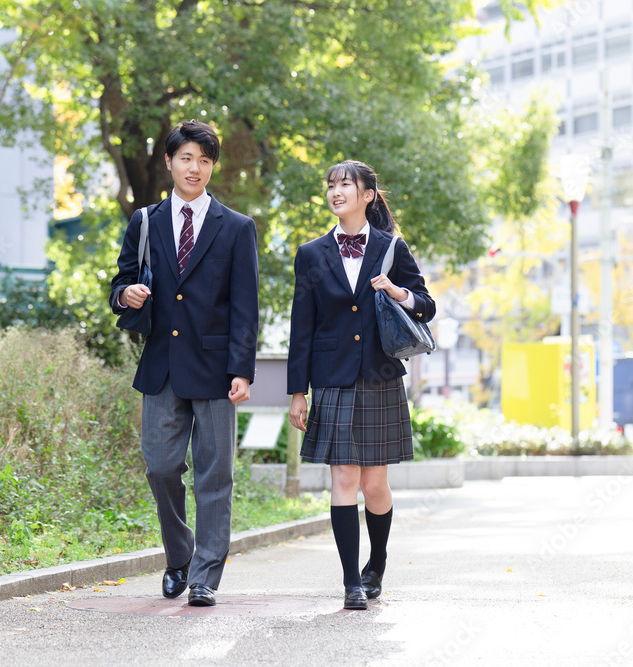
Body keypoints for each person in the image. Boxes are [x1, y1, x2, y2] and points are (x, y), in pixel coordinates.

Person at [110, 120, 260, 607]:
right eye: (186, 158)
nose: (195, 168)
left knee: (215, 474)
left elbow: (245, 306)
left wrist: (242, 369)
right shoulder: (146, 222)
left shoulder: (236, 228)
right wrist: (125, 294)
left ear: (211, 166)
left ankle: (204, 577)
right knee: (161, 466)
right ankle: (179, 557)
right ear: (171, 162)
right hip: (162, 367)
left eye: (204, 160)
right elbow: (121, 283)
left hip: (217, 371)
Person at [286, 160, 435, 610]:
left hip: (379, 376)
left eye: (345, 185)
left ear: (368, 194)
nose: (336, 191)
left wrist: (398, 292)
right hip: (331, 380)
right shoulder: (311, 253)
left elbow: (426, 306)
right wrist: (298, 391)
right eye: (331, 185)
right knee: (344, 478)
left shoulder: (392, 248)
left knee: (375, 486)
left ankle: (378, 562)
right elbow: (302, 327)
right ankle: (351, 581)